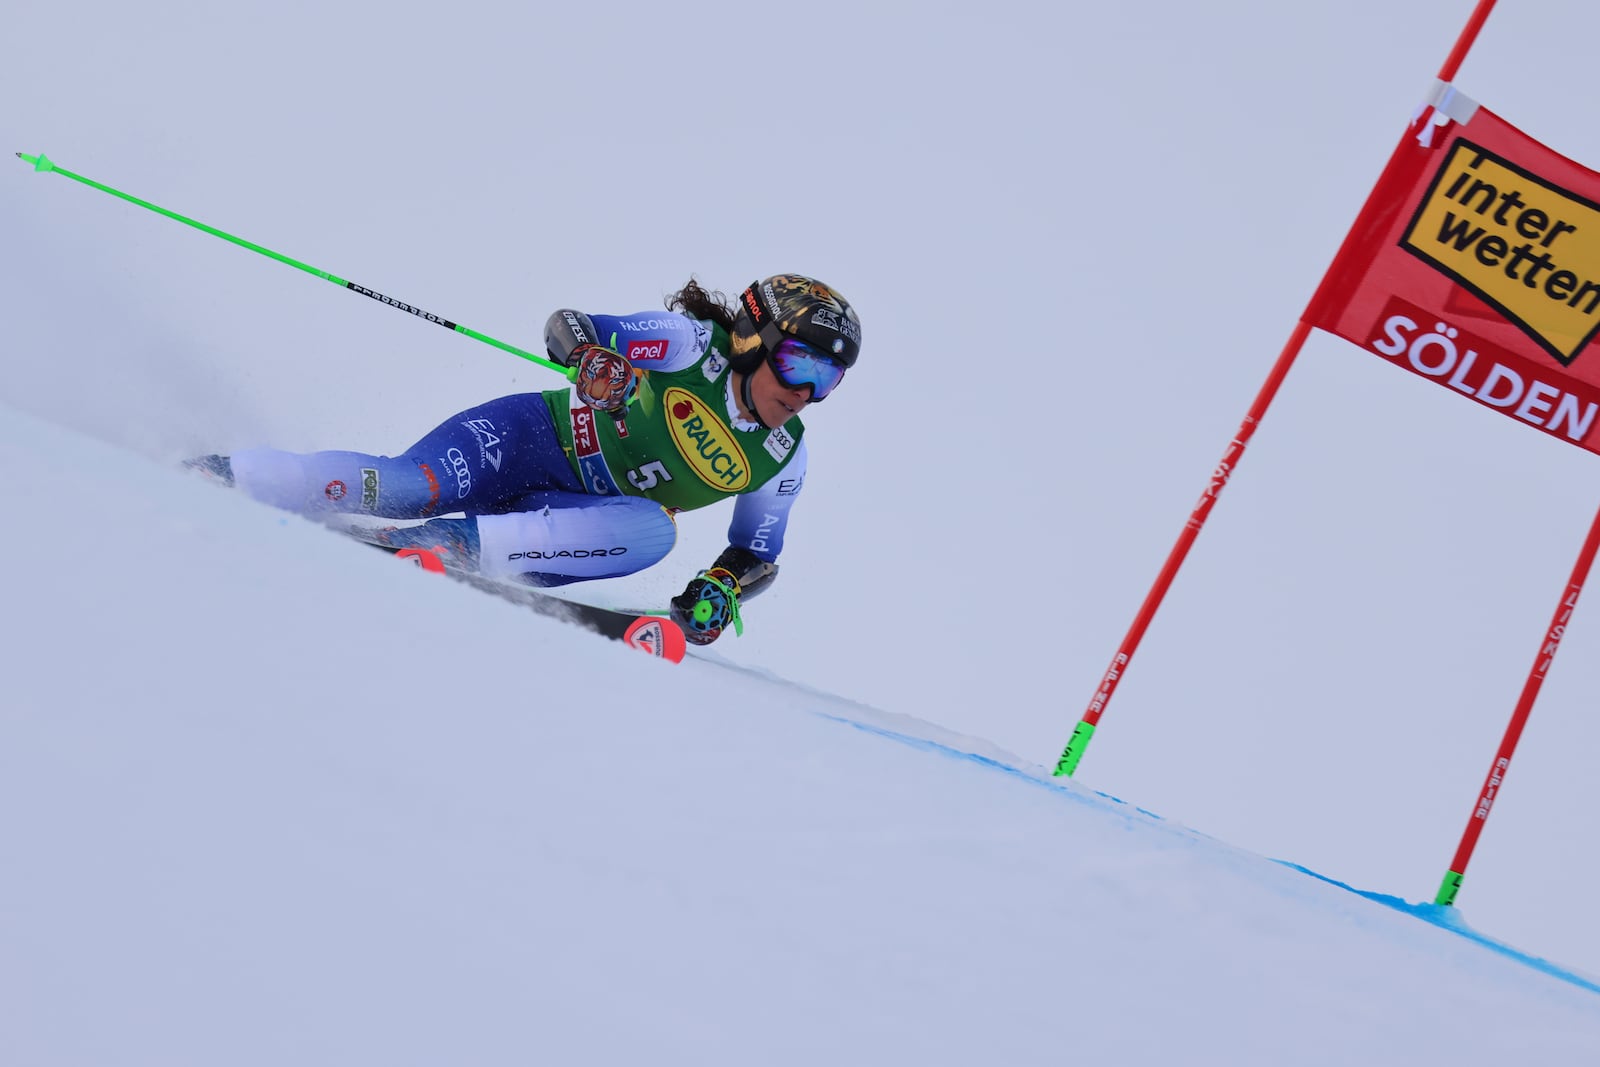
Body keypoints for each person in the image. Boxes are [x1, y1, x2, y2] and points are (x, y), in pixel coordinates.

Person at [190, 274, 861, 645]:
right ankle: (232, 473)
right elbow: (570, 326)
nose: (804, 392)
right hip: (528, 440)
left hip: (568, 521)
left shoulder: (782, 456)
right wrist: (592, 360)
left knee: (656, 530)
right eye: (799, 362)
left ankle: (451, 544)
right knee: (404, 485)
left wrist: (716, 593)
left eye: (827, 381)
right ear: (751, 339)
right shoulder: (692, 345)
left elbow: (754, 552)